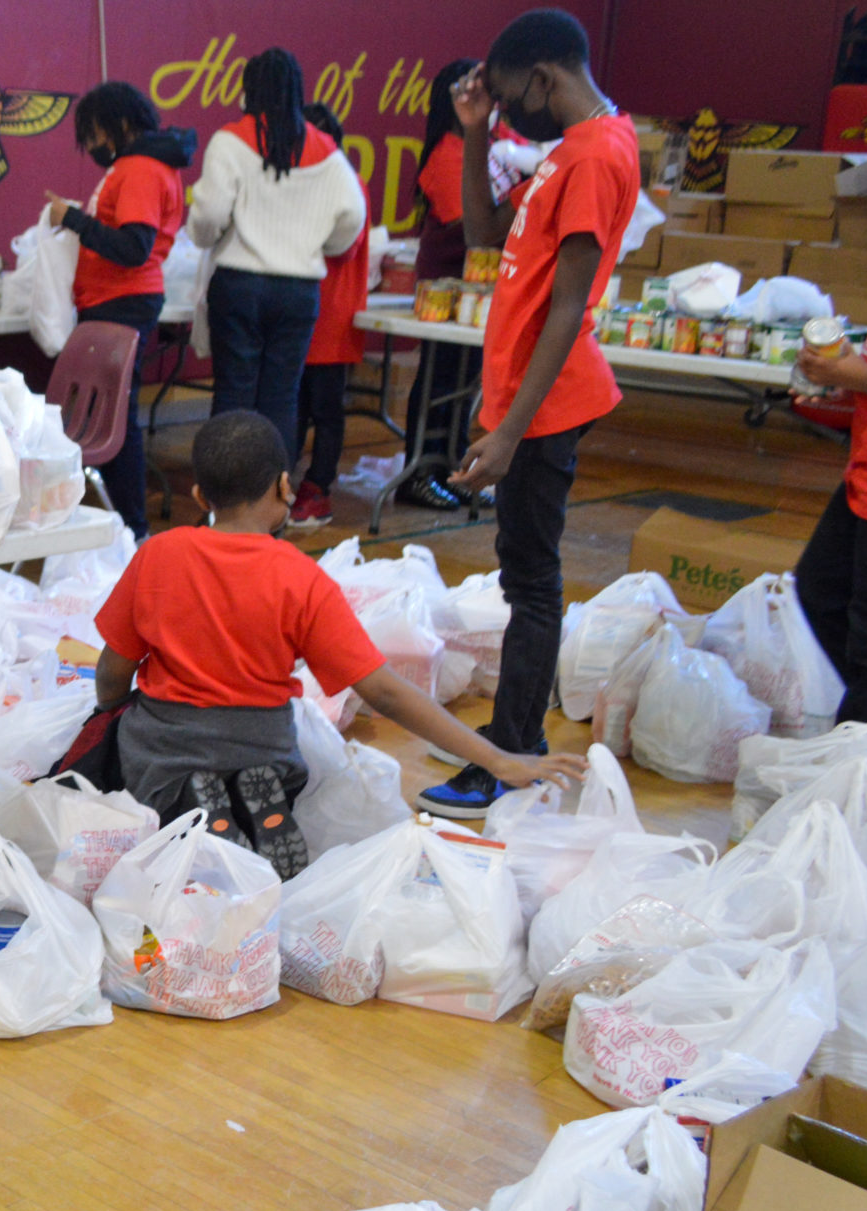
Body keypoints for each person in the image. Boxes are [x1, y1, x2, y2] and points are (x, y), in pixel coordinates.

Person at [93, 412, 585, 877]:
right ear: (284, 487)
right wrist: (498, 759)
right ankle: (253, 799)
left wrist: (111, 715)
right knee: (275, 763)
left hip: (167, 748)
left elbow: (114, 669)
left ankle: (192, 812)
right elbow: (386, 693)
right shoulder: (300, 578)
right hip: (262, 746)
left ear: (201, 496)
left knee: (135, 756)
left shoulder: (158, 554)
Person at [419, 9, 638, 819]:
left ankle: (511, 760)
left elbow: (568, 308)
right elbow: (482, 234)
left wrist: (513, 428)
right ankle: (507, 738)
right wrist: (475, 133)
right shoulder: (563, 153)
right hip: (523, 398)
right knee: (524, 575)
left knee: (534, 585)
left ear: (547, 79)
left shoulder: (596, 154)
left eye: (509, 99)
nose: (508, 112)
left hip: (549, 403)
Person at [188, 49, 366, 458]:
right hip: (299, 291)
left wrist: (205, 236)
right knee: (282, 398)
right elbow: (353, 215)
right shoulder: (326, 150)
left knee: (233, 394)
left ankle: (225, 503)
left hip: (239, 285)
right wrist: (322, 245)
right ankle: (273, 505)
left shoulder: (231, 140)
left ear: (248, 90)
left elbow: (209, 213)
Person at [43, 82, 195, 537]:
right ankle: (122, 521)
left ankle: (131, 525)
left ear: (122, 125)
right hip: (110, 303)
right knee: (108, 414)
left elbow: (133, 247)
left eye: (93, 134)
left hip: (123, 304)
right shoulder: (136, 165)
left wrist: (71, 219)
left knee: (114, 419)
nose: (90, 146)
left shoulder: (142, 169)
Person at [396, 58, 487, 513]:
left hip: (482, 291)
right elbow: (469, 224)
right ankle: (419, 474)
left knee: (466, 385)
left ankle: (456, 469)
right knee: (439, 379)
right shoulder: (446, 153)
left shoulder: (499, 143)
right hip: (446, 291)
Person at [289, 103, 371, 531]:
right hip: (301, 311)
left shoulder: (346, 183)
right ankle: (286, 484)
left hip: (331, 314)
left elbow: (344, 246)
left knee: (325, 408)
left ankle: (319, 487)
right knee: (296, 405)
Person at [793, 325, 867, 723]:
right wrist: (843, 373)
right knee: (820, 589)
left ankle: (858, 758)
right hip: (864, 473)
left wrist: (854, 375)